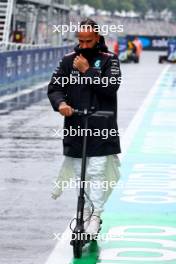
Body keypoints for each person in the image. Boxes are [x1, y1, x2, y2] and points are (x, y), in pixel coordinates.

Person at [47, 18, 121, 236]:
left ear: (97, 37)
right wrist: (61, 103)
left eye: (89, 41)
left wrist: (88, 71)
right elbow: (54, 88)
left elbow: (110, 88)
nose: (84, 45)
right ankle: (85, 211)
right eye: (81, 41)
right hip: (76, 125)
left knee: (97, 171)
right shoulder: (68, 60)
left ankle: (96, 215)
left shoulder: (110, 60)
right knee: (82, 175)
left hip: (101, 126)